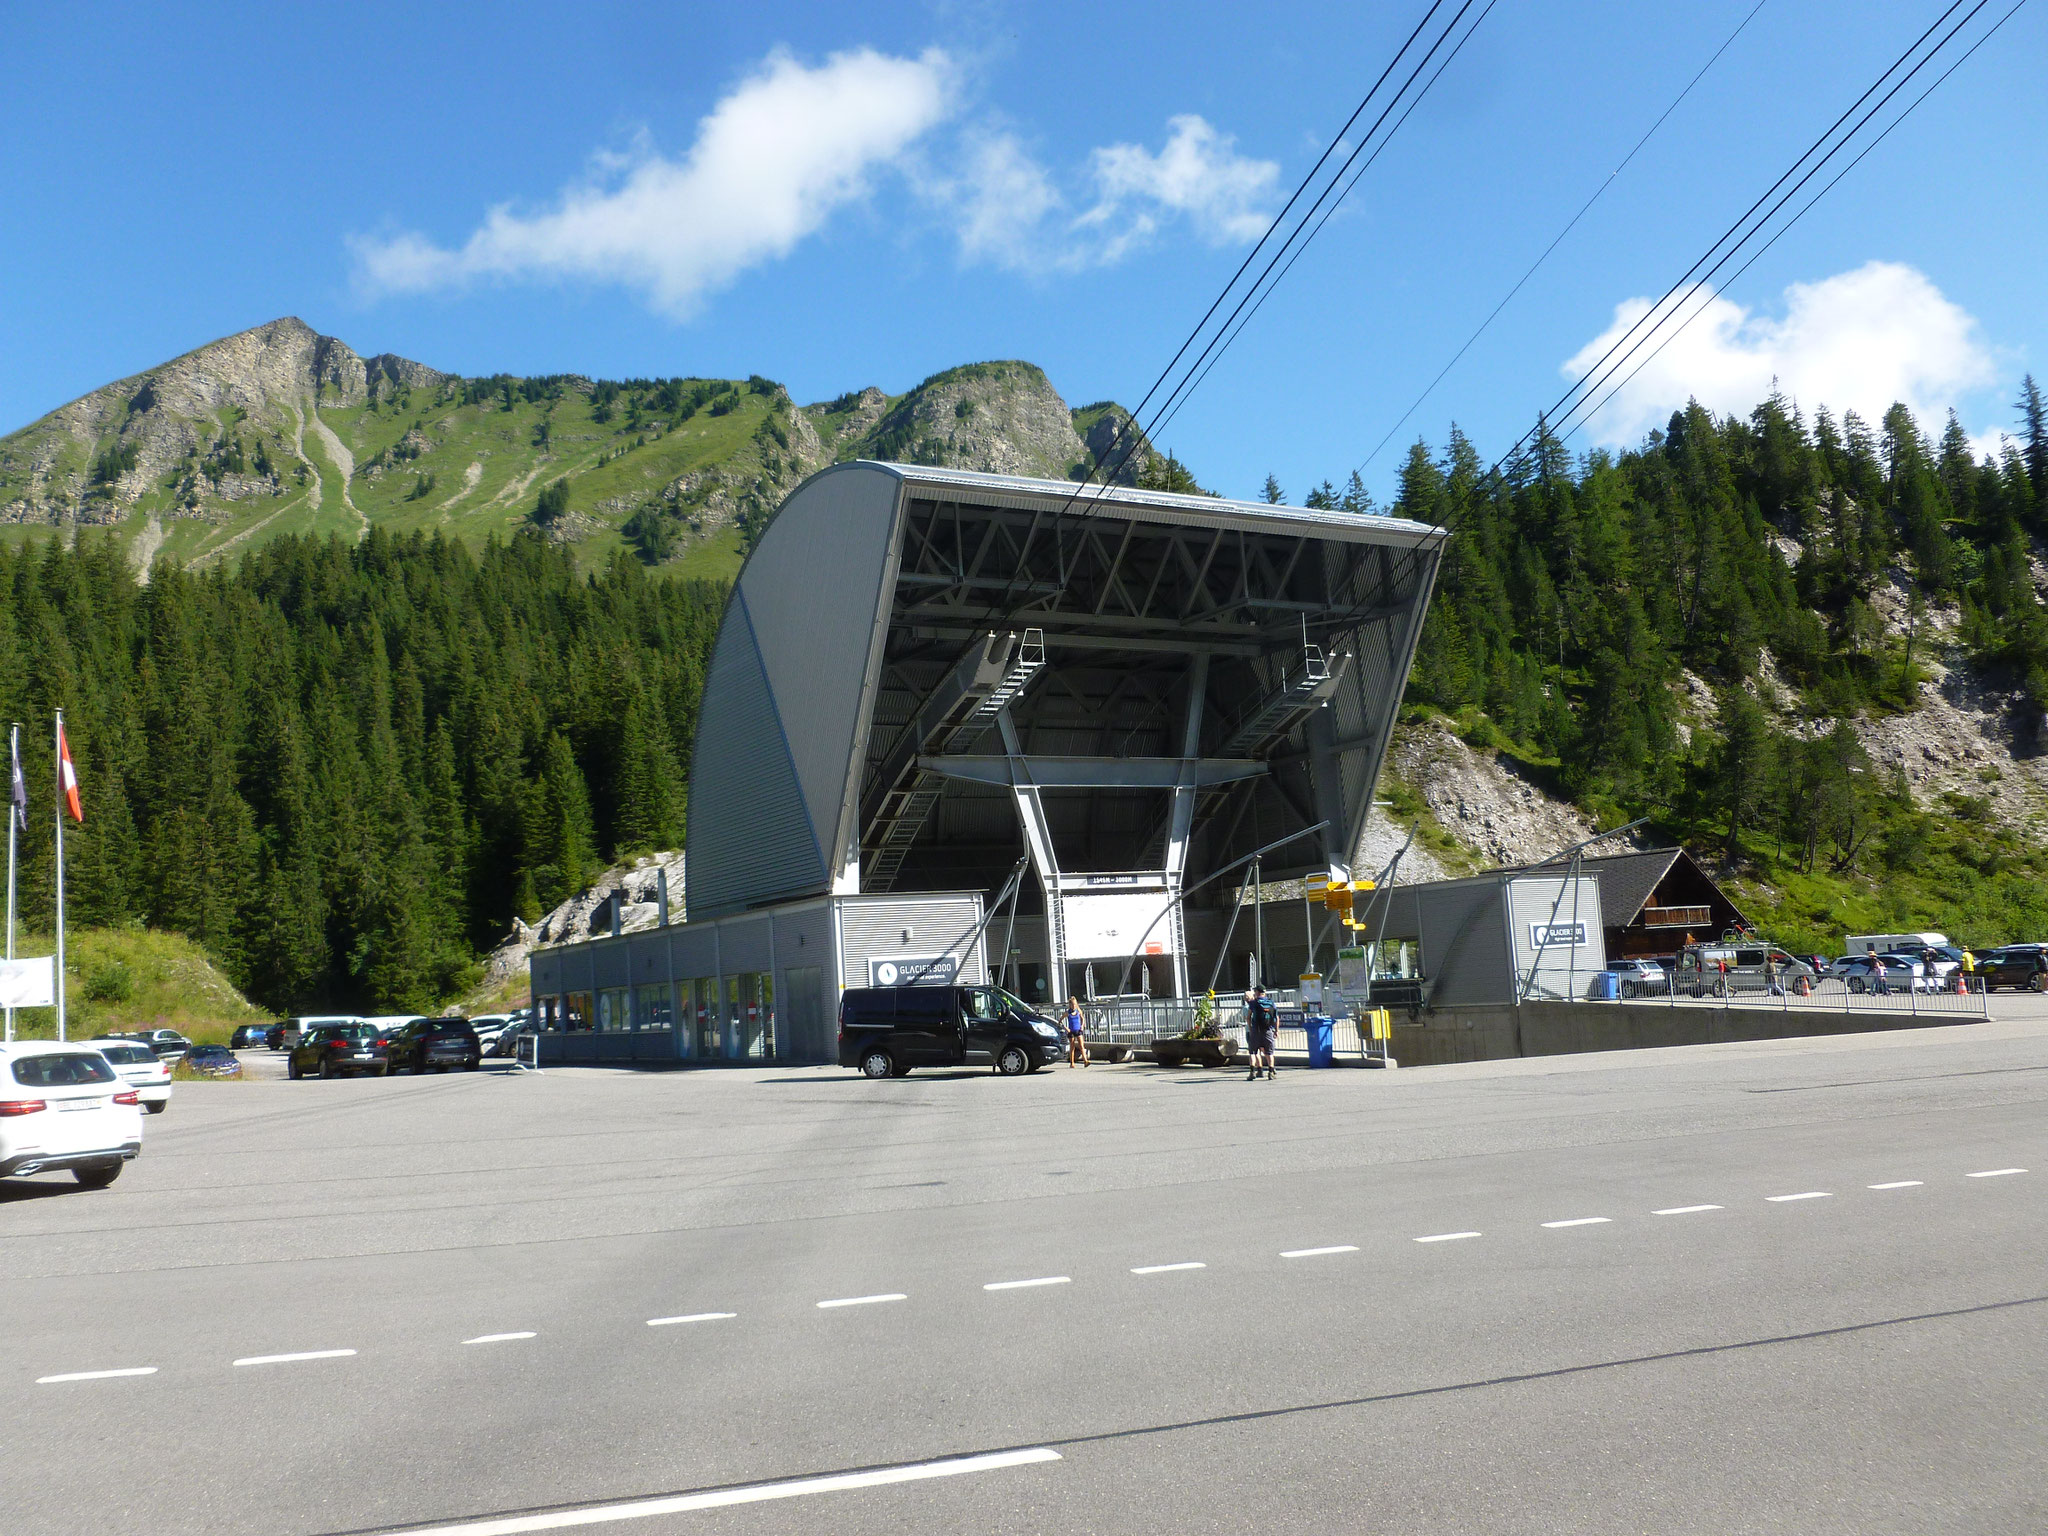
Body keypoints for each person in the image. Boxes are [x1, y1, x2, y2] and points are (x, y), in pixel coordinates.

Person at [1244, 984, 1278, 1081]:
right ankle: (1271, 1072)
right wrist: (1276, 1030)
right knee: (1270, 1052)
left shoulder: (1253, 1003)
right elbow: (1276, 1018)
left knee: (1252, 1052)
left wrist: (1251, 1028)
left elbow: (1248, 1017)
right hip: (1268, 1030)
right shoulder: (1271, 1002)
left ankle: (1252, 1072)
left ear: (1258, 992)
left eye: (1255, 991)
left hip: (1256, 1030)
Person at [1063, 996, 1089, 1067]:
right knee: (1072, 1047)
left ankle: (1085, 1061)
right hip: (1071, 1031)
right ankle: (1072, 1063)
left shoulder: (1078, 1011)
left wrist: (1082, 1026)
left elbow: (1082, 1019)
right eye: (1072, 1005)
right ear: (1070, 1005)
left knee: (1081, 1046)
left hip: (1078, 1030)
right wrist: (1066, 1028)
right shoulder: (1067, 1013)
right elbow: (1060, 1021)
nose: (1074, 1006)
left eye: (1075, 1004)